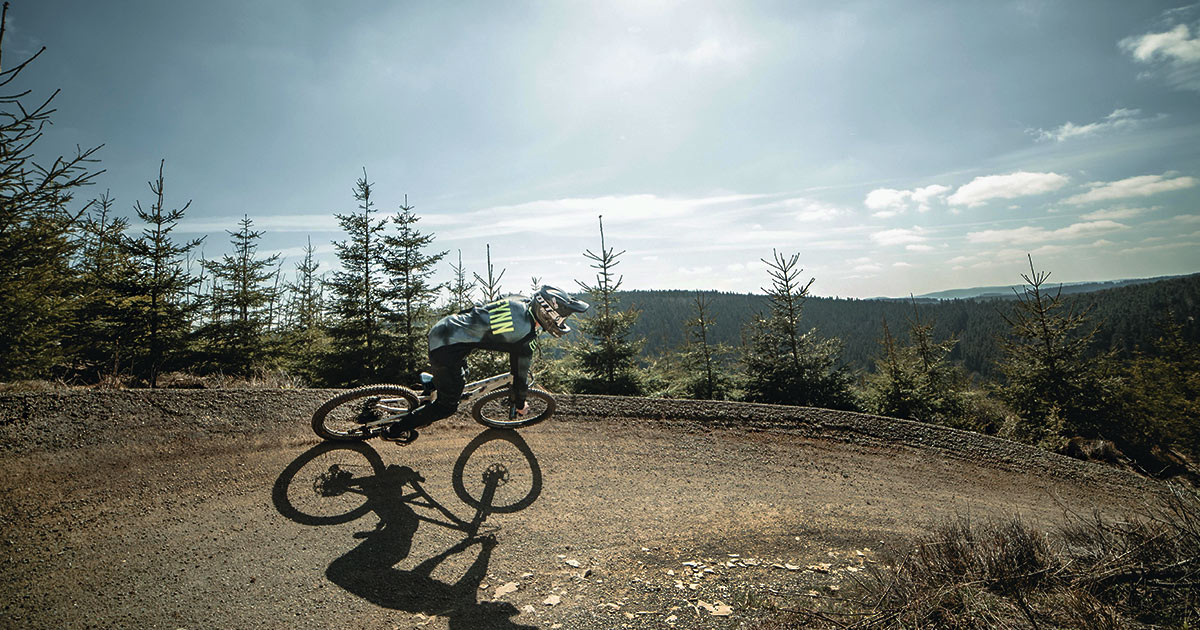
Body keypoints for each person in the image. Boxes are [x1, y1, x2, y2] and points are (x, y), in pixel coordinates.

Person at [382, 285, 589, 443]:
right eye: (562, 317)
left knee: (462, 372)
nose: (562, 322)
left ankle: (431, 383)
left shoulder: (521, 301)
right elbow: (520, 377)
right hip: (446, 349)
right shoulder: (524, 337)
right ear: (548, 312)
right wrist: (520, 404)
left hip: (446, 326)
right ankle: (395, 430)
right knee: (447, 406)